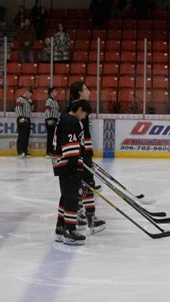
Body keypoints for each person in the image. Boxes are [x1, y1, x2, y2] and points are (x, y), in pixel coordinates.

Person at [52, 99, 92, 245]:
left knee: (65, 196)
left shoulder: (63, 117)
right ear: (80, 109)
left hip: (61, 164)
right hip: (68, 164)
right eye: (85, 114)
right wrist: (76, 169)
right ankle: (69, 231)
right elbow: (71, 148)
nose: (84, 117)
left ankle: (60, 228)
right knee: (73, 197)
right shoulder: (71, 121)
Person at [70, 80, 106, 234]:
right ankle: (89, 219)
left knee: (83, 185)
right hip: (82, 153)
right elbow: (78, 135)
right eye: (85, 89)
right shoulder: (78, 108)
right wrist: (84, 153)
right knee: (87, 185)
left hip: (84, 152)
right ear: (79, 92)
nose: (89, 91)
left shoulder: (78, 107)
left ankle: (82, 217)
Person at [15, 87, 33, 158]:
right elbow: (18, 109)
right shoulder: (20, 99)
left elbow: (31, 110)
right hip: (22, 119)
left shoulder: (28, 101)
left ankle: (25, 151)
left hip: (27, 119)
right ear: (27, 92)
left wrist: (31, 104)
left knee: (26, 136)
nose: (30, 96)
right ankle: (20, 152)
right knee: (21, 136)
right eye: (30, 95)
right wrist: (20, 118)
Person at [45, 87, 59, 158]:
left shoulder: (55, 101)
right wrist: (48, 119)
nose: (56, 92)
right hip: (50, 119)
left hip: (55, 120)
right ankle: (48, 152)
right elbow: (47, 110)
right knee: (50, 137)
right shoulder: (49, 101)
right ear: (51, 93)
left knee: (54, 137)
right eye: (55, 91)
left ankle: (52, 151)